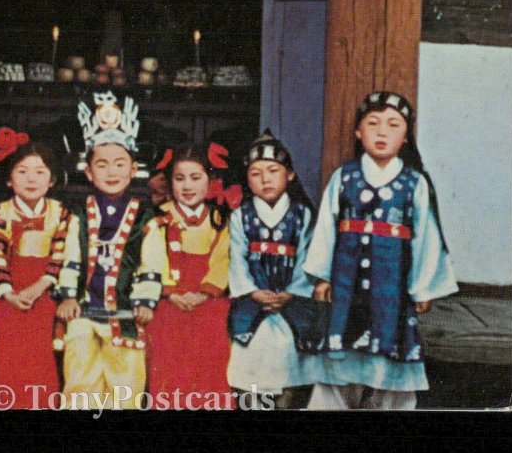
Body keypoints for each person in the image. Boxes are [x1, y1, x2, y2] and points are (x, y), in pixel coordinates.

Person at [303, 91, 459, 410]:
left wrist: (423, 287)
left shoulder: (414, 184)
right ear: (359, 133)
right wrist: (321, 277)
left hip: (393, 293)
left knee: (392, 366)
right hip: (345, 290)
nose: (382, 131)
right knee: (338, 368)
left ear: (405, 136)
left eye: (393, 124)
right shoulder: (343, 179)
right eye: (372, 123)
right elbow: (325, 230)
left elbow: (426, 238)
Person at [53, 91, 166, 410]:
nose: (112, 171)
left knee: (125, 391)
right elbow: (71, 257)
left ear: (133, 170)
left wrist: (145, 300)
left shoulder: (144, 217)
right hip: (85, 314)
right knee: (79, 388)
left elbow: (151, 263)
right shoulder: (79, 212)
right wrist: (68, 296)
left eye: (120, 164)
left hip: (127, 317)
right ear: (88, 172)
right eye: (102, 164)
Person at [227, 129, 322, 409]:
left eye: (273, 170)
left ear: (289, 175)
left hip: (291, 306)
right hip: (253, 305)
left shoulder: (302, 214)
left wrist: (292, 292)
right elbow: (237, 259)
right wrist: (252, 291)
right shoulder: (240, 216)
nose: (265, 179)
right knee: (247, 374)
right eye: (255, 173)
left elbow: (308, 257)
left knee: (290, 373)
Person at [145, 143, 238, 410]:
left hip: (208, 304)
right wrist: (170, 292)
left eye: (195, 178)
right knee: (168, 375)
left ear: (210, 181)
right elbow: (153, 259)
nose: (187, 186)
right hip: (168, 305)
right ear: (169, 182)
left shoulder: (221, 220)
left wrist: (204, 293)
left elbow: (223, 260)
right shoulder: (159, 220)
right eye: (179, 178)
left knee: (210, 374)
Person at [0, 141, 69, 409]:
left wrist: (40, 287)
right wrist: (7, 293)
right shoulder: (0, 213)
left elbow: (60, 254)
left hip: (44, 295)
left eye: (40, 171)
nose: (31, 179)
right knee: (5, 361)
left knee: (42, 362)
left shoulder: (61, 214)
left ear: (52, 180)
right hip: (7, 296)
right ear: (10, 179)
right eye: (22, 171)